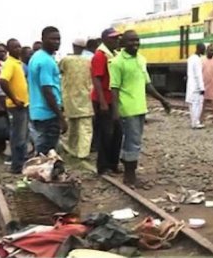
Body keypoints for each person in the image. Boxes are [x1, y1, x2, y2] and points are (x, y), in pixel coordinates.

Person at [109, 30, 171, 187]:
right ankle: (130, 177)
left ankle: (128, 173)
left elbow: (147, 84)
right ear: (123, 43)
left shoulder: (141, 60)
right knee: (133, 142)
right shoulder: (117, 62)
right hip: (127, 108)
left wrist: (162, 100)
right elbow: (114, 88)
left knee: (131, 141)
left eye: (137, 40)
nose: (135, 44)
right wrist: (115, 111)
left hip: (140, 107)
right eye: (131, 41)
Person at [28, 27, 66, 155]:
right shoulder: (46, 61)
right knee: (47, 153)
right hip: (48, 113)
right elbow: (47, 90)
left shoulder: (36, 57)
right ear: (43, 39)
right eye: (52, 39)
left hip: (37, 111)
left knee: (42, 149)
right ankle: (38, 174)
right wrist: (60, 116)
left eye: (58, 39)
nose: (56, 42)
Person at [92, 28, 122, 175]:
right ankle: (103, 166)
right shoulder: (100, 55)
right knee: (106, 133)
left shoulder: (115, 54)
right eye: (112, 38)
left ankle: (113, 163)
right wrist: (102, 102)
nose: (116, 40)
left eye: (117, 38)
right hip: (104, 99)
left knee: (117, 133)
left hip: (114, 100)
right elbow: (96, 79)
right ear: (104, 39)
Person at [58, 38, 94, 159]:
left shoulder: (65, 60)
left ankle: (72, 149)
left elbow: (60, 72)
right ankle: (83, 152)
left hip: (70, 97)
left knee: (73, 126)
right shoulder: (89, 60)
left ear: (73, 46)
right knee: (85, 127)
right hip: (85, 96)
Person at [0, 39, 29, 173]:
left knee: (23, 136)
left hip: (23, 105)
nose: (18, 49)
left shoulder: (18, 63)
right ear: (9, 50)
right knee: (18, 137)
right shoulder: (10, 64)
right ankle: (17, 166)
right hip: (16, 107)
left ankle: (22, 162)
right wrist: (14, 99)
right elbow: (2, 81)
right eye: (15, 47)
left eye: (19, 46)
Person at [186, 43, 205, 129]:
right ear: (199, 49)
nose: (204, 50)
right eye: (203, 49)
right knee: (198, 104)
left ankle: (193, 122)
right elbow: (198, 75)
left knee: (192, 105)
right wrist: (202, 87)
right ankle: (196, 122)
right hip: (196, 87)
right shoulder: (197, 60)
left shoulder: (190, 58)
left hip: (190, 85)